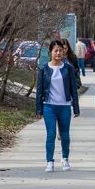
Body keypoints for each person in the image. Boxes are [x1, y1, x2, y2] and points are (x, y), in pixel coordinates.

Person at [35, 39, 80, 172]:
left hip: (64, 106)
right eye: (55, 50)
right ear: (50, 53)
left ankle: (65, 159)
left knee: (65, 135)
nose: (58, 53)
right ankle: (49, 161)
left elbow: (73, 89)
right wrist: (39, 109)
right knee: (51, 134)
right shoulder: (44, 69)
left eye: (60, 50)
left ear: (64, 52)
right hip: (49, 106)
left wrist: (76, 107)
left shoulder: (68, 69)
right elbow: (39, 90)